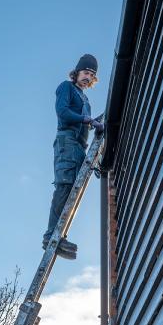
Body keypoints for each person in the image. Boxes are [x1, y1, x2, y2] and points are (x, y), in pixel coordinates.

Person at [43, 54, 104, 260]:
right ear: (77, 72)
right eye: (86, 72)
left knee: (74, 192)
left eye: (92, 75)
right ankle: (51, 235)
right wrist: (87, 119)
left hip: (80, 146)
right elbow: (63, 112)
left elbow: (86, 123)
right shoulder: (66, 88)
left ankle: (60, 235)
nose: (88, 76)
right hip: (67, 141)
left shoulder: (86, 99)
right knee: (65, 184)